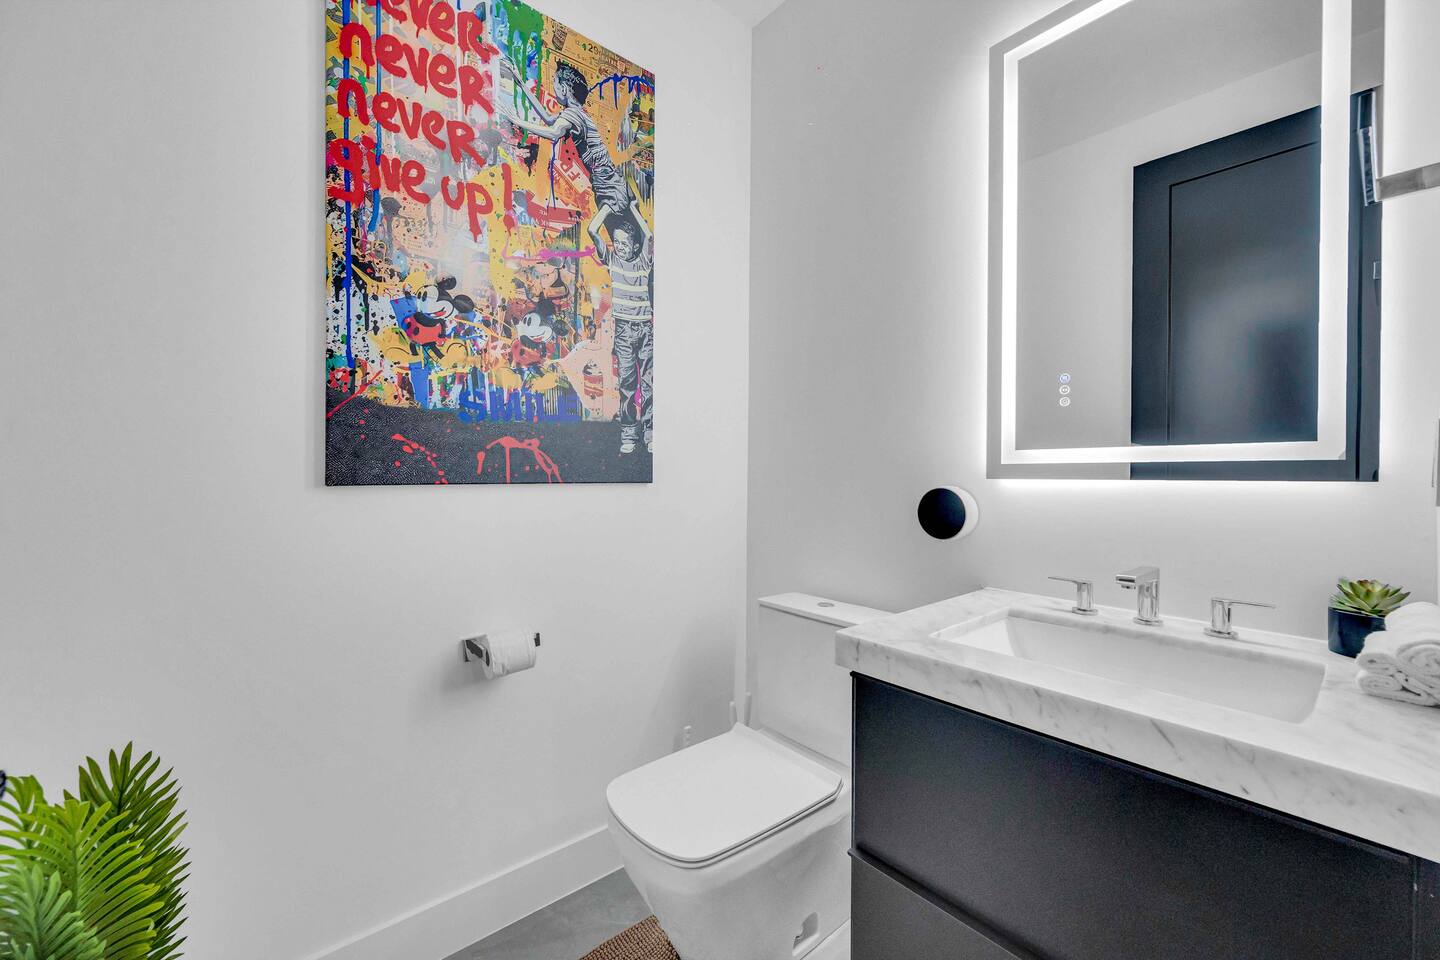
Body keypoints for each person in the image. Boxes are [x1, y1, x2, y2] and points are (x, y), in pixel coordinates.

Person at [498, 56, 631, 228]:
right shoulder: (577, 112)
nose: (554, 90)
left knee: (612, 227)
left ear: (564, 89)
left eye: (555, 84)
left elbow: (554, 133)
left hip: (606, 183)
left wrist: (517, 121)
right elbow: (548, 119)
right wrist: (521, 83)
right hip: (609, 179)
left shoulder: (572, 114)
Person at [589, 200, 653, 454]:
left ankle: (650, 432)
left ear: (635, 246)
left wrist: (634, 209)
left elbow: (649, 236)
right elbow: (593, 230)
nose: (620, 247)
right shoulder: (613, 261)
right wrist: (606, 208)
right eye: (616, 242)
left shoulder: (644, 262)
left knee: (648, 383)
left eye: (625, 243)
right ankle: (629, 434)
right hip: (624, 331)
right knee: (627, 384)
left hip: (645, 330)